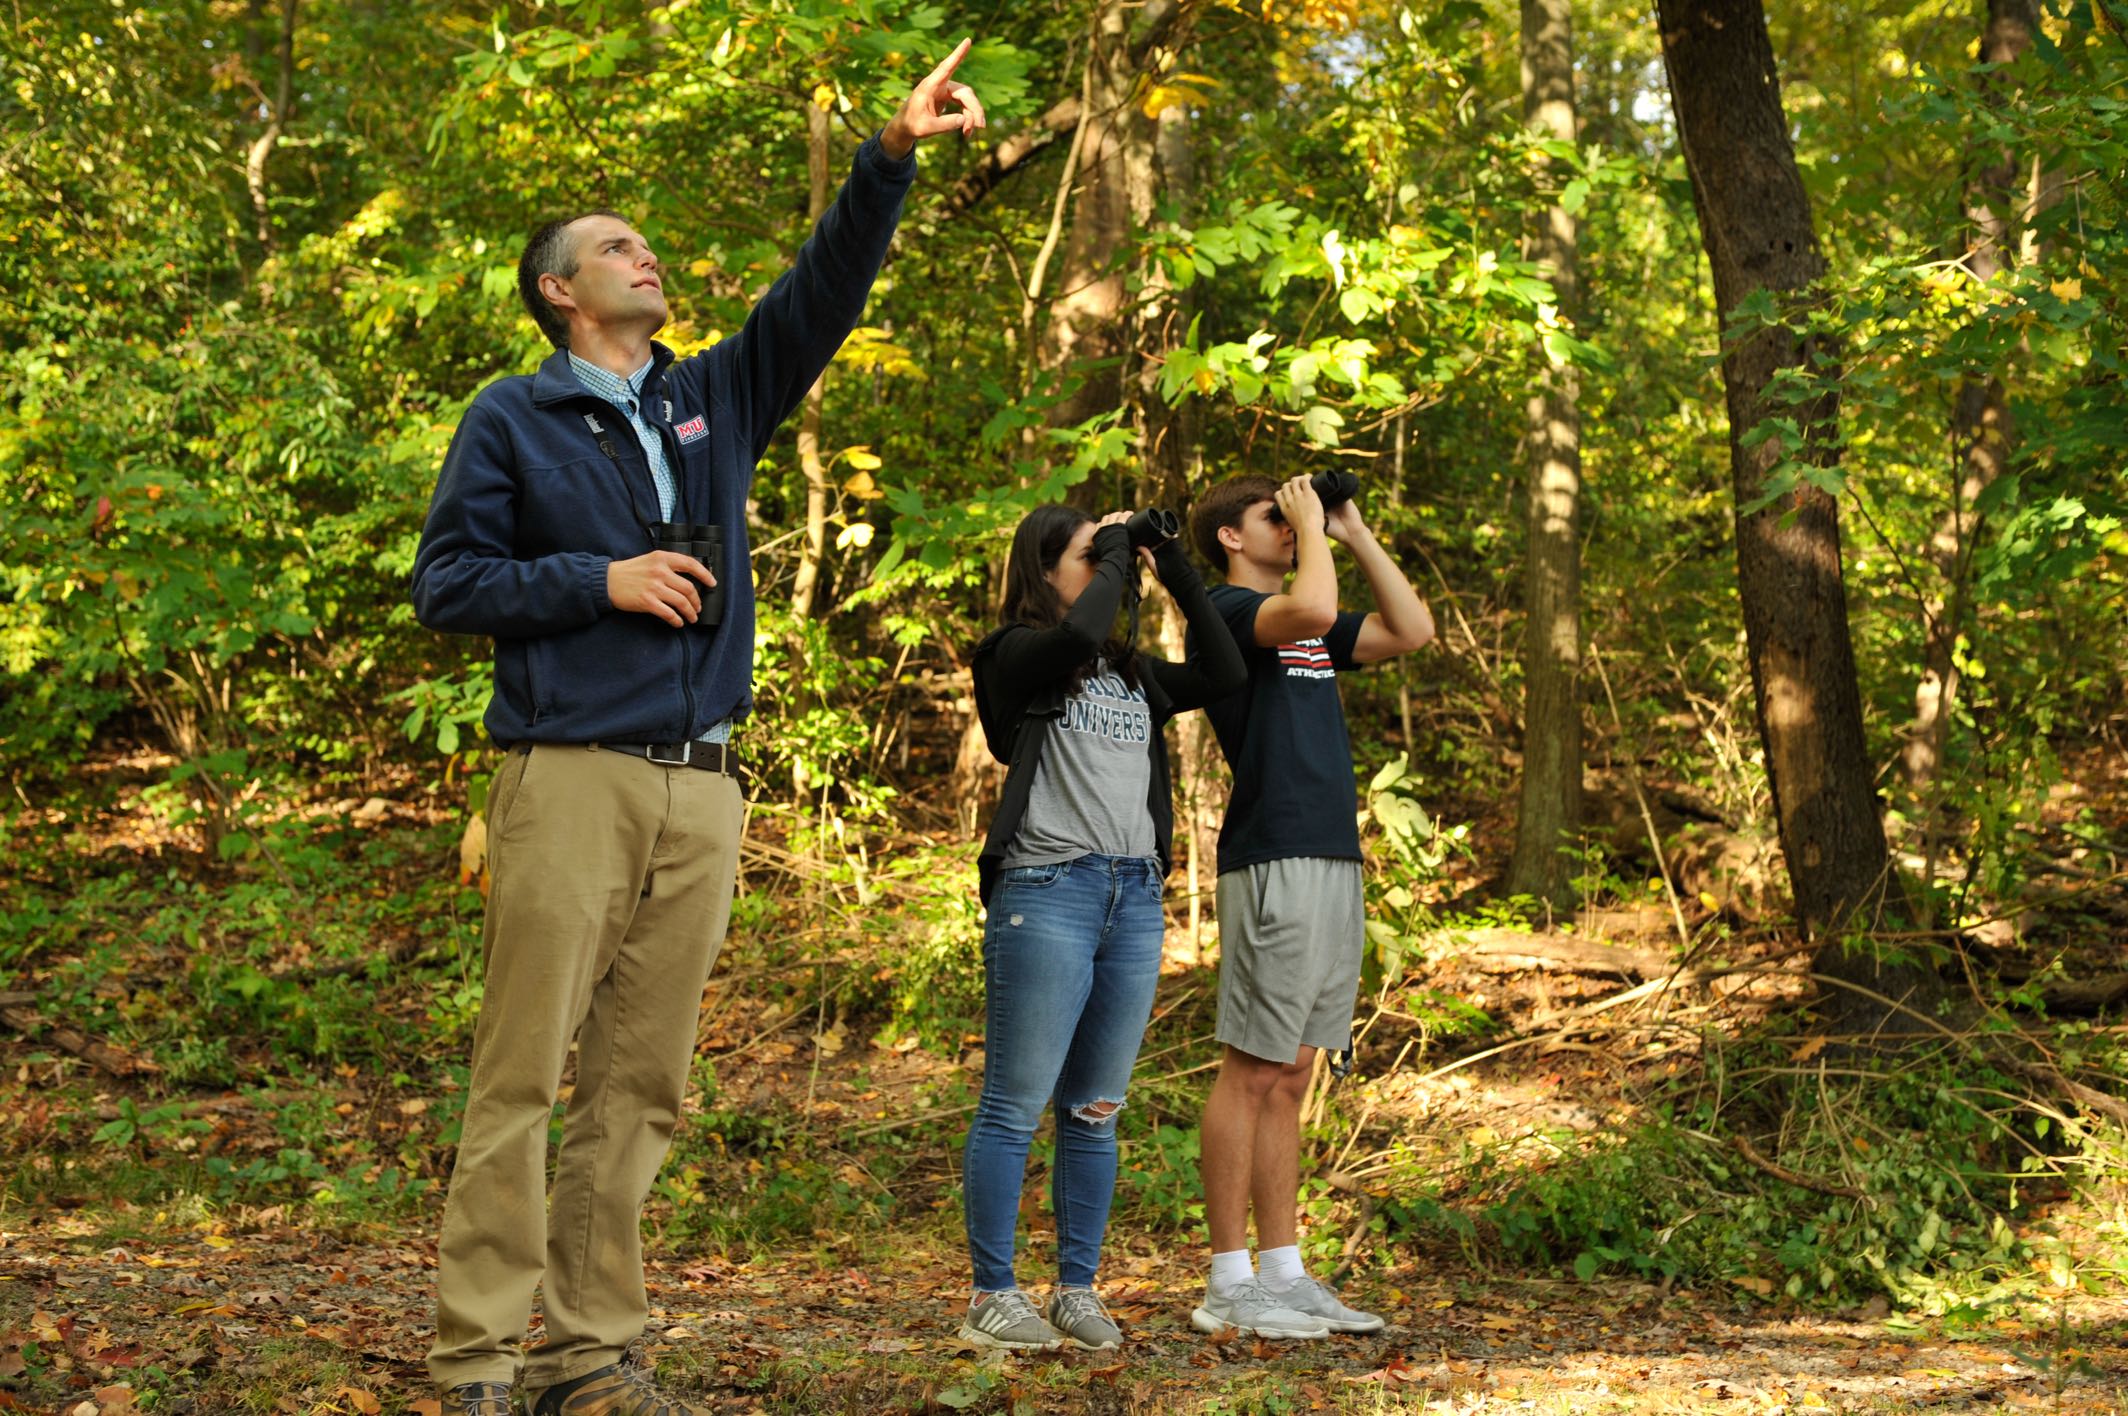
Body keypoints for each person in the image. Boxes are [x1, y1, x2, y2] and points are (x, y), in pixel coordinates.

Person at [408, 44, 987, 1416]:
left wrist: (886, 157)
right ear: (562, 289)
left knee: (639, 1094)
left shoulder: (711, 394)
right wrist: (595, 582)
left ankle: (590, 1361)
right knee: (522, 1084)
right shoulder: (515, 415)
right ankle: (478, 1363)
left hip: (703, 788)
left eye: (650, 247)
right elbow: (447, 585)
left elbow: (822, 293)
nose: (647, 259)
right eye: (619, 248)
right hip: (569, 782)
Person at [961, 505, 1246, 1352]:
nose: (1109, 567)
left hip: (1132, 898)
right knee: (1014, 1106)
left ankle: (1076, 1289)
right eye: (1091, 555)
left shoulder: (1133, 675)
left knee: (1094, 1109)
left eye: (1110, 553)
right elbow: (1073, 637)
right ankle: (992, 1294)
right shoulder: (1014, 655)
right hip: (1047, 889)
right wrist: (1118, 557)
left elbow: (1225, 672)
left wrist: (1172, 567)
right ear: (1049, 570)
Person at [1183, 473, 1435, 1339]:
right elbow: (1314, 605)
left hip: (1331, 854)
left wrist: (1352, 527)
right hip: (1273, 854)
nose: (1290, 529)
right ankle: (1227, 1282)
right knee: (1251, 1066)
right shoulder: (1225, 610)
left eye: (1292, 519)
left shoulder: (1310, 624)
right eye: (1272, 519)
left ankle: (1283, 1273)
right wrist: (1310, 532)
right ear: (1229, 537)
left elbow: (1412, 629)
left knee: (1293, 1073)